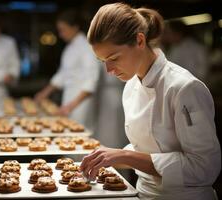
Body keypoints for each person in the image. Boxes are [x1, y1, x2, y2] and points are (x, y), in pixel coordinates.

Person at [80, 3, 221, 200]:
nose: (109, 70)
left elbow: (204, 168)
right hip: (143, 194)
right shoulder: (131, 86)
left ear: (139, 40)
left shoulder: (184, 88)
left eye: (114, 58)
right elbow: (146, 150)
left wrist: (125, 156)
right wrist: (107, 156)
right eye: (103, 61)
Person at [35, 10, 100, 131]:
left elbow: (91, 80)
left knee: (80, 133)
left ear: (75, 27)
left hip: (82, 101)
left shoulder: (86, 47)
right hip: (69, 96)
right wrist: (45, 92)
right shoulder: (70, 47)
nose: (60, 34)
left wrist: (71, 105)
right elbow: (62, 74)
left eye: (63, 30)